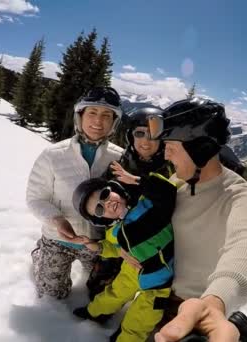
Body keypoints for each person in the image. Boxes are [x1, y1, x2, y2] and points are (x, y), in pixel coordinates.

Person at [144, 98, 247, 342]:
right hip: (160, 296)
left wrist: (216, 302)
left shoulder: (239, 195)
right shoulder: (177, 183)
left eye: (171, 146)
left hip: (198, 311)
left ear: (200, 149)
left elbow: (244, 245)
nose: (165, 155)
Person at [26, 86, 124, 300]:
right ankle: (40, 254)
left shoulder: (119, 158)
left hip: (97, 243)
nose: (98, 122)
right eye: (92, 113)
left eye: (106, 115)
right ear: (80, 116)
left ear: (114, 122)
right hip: (56, 239)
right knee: (53, 295)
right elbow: (35, 198)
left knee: (101, 291)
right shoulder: (53, 155)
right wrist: (57, 221)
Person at [71, 166, 177, 342]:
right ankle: (94, 312)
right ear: (101, 218)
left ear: (115, 189)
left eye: (104, 195)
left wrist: (137, 180)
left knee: (141, 318)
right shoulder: (114, 231)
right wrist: (96, 246)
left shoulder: (147, 204)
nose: (106, 204)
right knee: (113, 293)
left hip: (157, 280)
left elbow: (167, 192)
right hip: (131, 270)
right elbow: (113, 248)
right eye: (99, 209)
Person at [86, 106, 173, 300]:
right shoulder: (118, 167)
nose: (146, 141)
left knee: (154, 297)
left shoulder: (170, 171)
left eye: (153, 135)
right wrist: (119, 249)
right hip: (118, 242)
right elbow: (102, 212)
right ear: (130, 136)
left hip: (155, 248)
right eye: (139, 133)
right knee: (98, 288)